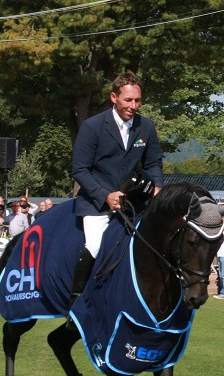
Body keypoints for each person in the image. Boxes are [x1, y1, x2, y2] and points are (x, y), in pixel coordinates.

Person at [70, 71, 164, 305]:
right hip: (96, 203)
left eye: (137, 101)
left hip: (133, 201)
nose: (133, 106)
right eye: (128, 100)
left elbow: (153, 163)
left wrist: (157, 186)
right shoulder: (92, 126)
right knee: (94, 245)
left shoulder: (147, 127)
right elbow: (80, 169)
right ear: (114, 97)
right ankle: (77, 300)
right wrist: (105, 195)